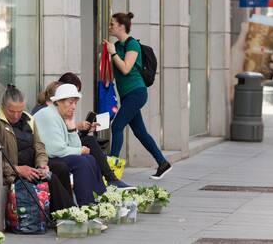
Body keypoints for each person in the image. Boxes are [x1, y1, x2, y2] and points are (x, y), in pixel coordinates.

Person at [104, 12, 172, 180]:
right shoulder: (117, 45)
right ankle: (163, 163)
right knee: (140, 132)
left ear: (121, 26)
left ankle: (112, 169)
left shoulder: (132, 44)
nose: (110, 27)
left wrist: (112, 53)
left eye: (112, 24)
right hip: (127, 95)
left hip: (137, 92)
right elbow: (115, 72)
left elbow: (126, 68)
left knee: (117, 126)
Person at [0, 85, 75, 212]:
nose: (16, 115)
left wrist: (42, 164)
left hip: (32, 166)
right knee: (51, 178)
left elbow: (39, 146)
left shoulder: (28, 119)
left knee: (61, 168)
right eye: (12, 111)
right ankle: (67, 213)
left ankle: (61, 212)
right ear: (3, 107)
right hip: (14, 171)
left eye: (20, 111)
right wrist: (17, 169)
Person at [57, 72, 134, 189]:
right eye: (72, 98)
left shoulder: (65, 106)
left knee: (91, 147)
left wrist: (84, 129)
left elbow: (69, 134)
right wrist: (78, 126)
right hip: (58, 148)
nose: (74, 104)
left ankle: (104, 184)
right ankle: (110, 179)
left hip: (66, 143)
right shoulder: (54, 109)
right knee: (90, 143)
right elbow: (61, 133)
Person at [34, 84, 107, 205]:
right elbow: (55, 150)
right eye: (70, 102)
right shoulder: (48, 115)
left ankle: (100, 199)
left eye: (75, 103)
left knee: (90, 158)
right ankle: (86, 204)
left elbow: (75, 146)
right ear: (59, 102)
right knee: (82, 162)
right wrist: (80, 151)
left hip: (54, 156)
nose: (74, 107)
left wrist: (72, 127)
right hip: (43, 160)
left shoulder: (61, 115)